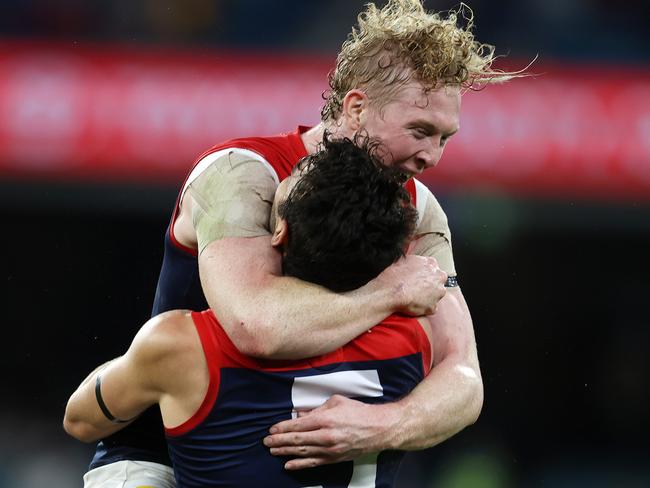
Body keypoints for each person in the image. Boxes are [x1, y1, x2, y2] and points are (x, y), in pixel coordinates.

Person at [79, 0, 519, 485]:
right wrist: (389, 292)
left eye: (445, 138)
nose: (432, 156)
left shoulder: (418, 207)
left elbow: (464, 377)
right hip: (163, 455)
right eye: (419, 131)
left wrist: (383, 424)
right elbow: (258, 327)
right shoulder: (242, 174)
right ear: (356, 108)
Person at [65, 137, 445, 488]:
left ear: (279, 233)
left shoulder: (181, 346)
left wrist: (145, 362)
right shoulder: (418, 340)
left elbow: (80, 421)